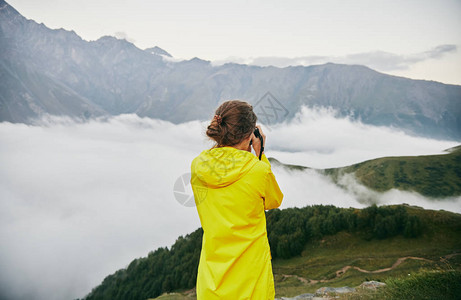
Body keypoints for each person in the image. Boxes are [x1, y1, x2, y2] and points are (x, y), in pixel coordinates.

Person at [190, 100, 284, 299]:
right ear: (251, 135)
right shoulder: (256, 170)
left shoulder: (198, 166)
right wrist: (260, 154)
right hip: (251, 283)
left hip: (212, 282)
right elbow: (274, 200)